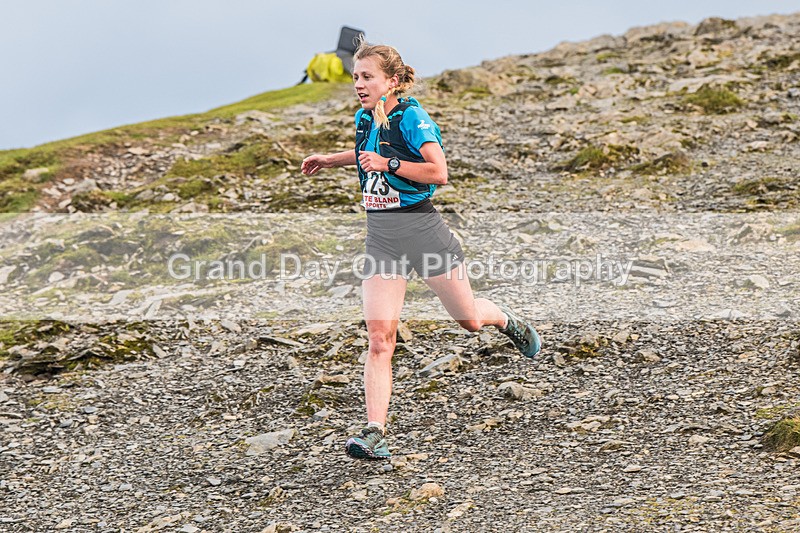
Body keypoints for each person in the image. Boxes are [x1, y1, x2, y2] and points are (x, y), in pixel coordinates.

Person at [301, 42, 541, 461]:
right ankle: (375, 432)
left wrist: (390, 166)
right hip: (382, 239)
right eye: (356, 77)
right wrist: (332, 160)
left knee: (468, 320)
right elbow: (366, 155)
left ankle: (502, 318)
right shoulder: (363, 118)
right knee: (380, 339)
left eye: (367, 77)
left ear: (391, 81)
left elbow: (439, 172)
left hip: (424, 232)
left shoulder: (411, 116)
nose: (358, 84)